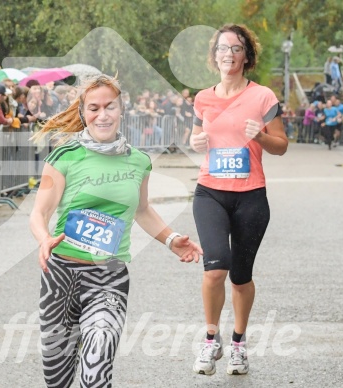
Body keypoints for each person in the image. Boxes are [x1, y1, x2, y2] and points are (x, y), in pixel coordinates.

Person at [29, 74, 202, 388]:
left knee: (97, 371)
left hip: (109, 276)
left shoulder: (138, 162)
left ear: (122, 109)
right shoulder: (65, 157)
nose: (103, 114)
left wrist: (172, 239)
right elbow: (39, 212)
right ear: (83, 113)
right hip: (61, 274)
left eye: (110, 106)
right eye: (94, 108)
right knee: (58, 378)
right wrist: (44, 239)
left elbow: (142, 209)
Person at [189, 24, 288, 376]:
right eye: (221, 48)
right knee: (216, 267)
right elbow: (197, 136)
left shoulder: (263, 97)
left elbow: (281, 146)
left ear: (246, 56)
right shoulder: (202, 97)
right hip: (210, 192)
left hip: (250, 196)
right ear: (214, 55)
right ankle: (210, 339)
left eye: (235, 48)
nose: (227, 54)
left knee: (241, 277)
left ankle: (238, 344)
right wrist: (196, 143)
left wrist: (260, 136)